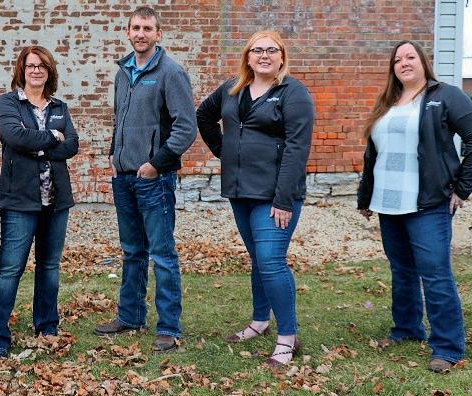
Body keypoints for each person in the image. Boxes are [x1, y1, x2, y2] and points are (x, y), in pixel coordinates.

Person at [356, 40, 472, 373]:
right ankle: (406, 329)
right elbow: (374, 154)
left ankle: (447, 346)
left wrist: (462, 189)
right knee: (402, 271)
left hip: (427, 203)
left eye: (410, 56)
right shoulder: (387, 102)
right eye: (397, 59)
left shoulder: (445, 95)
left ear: (423, 62)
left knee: (435, 274)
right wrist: (365, 196)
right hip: (388, 203)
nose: (403, 63)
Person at [196, 30, 314, 368]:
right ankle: (260, 321)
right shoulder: (232, 89)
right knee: (258, 259)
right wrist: (225, 152)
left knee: (271, 260)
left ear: (281, 57)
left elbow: (297, 148)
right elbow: (204, 115)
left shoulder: (293, 93)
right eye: (257, 50)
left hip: (274, 195)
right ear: (247, 57)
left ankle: (287, 338)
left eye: (271, 50)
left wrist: (283, 199)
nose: (264, 55)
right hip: (240, 191)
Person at [93, 6, 197, 354]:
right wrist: (113, 153)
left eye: (147, 28)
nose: (141, 34)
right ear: (128, 32)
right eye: (136, 28)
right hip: (123, 178)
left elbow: (186, 127)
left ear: (158, 34)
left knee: (162, 254)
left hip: (154, 179)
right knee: (132, 252)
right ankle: (130, 316)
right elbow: (120, 119)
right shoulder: (123, 72)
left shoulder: (171, 72)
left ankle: (168, 327)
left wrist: (156, 164)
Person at [0, 45, 79, 358]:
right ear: (21, 71)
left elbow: (72, 146)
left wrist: (38, 144)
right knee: (10, 269)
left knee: (49, 266)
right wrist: (52, 137)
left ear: (49, 71)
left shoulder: (59, 107)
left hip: (56, 199)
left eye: (42, 66)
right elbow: (15, 137)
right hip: (19, 199)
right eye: (30, 66)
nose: (36, 70)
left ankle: (47, 327)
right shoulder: (9, 102)